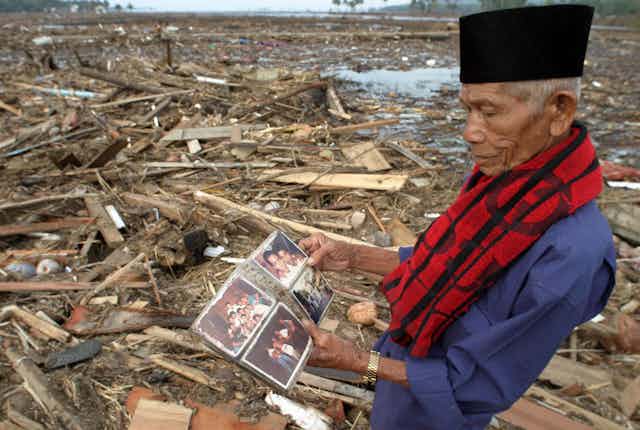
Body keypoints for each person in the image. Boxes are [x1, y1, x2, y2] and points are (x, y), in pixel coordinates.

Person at [299, 5, 616, 429]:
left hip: (440, 411)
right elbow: (441, 259)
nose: (470, 131)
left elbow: (473, 384)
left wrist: (357, 362)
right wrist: (352, 256)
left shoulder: (568, 254)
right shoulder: (505, 178)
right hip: (404, 359)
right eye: (468, 109)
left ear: (559, 110)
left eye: (490, 111)